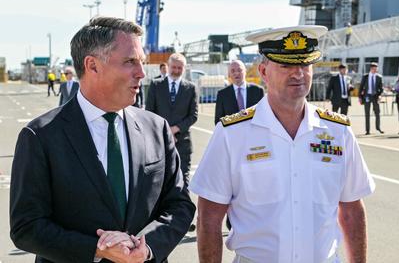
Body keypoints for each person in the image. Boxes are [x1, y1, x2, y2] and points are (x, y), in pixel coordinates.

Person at [10, 17, 195, 263]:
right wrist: (96, 249)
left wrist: (146, 247)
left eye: (141, 62)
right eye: (130, 62)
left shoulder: (156, 129)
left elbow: (180, 205)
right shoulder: (41, 136)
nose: (141, 73)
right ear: (93, 65)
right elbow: (26, 226)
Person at [190, 26, 375, 263]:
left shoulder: (338, 132)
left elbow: (352, 212)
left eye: (304, 65)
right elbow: (209, 217)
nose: (298, 74)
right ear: (264, 72)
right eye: (286, 65)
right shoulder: (233, 134)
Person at [146, 53, 198, 188]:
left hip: (183, 143)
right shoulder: (156, 85)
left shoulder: (191, 88)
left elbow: (193, 116)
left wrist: (175, 129)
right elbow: (149, 112)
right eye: (173, 67)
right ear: (168, 66)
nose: (176, 71)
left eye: (179, 68)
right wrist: (165, 131)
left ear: (184, 69)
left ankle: (185, 209)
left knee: (183, 181)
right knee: (160, 181)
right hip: (159, 142)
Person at [213, 60, 264, 125]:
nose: (236, 73)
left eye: (239, 70)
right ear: (229, 74)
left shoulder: (258, 91)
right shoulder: (222, 94)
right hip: (232, 134)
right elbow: (218, 121)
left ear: (245, 71)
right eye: (233, 71)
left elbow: (263, 115)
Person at [359, 62, 384, 135]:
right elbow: (361, 87)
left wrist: (380, 95)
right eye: (374, 69)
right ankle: (367, 130)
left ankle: (378, 128)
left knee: (377, 112)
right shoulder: (365, 76)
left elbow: (381, 88)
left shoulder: (379, 77)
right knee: (367, 113)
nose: (375, 70)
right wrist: (360, 97)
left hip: (375, 96)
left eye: (376, 69)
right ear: (370, 69)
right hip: (367, 96)